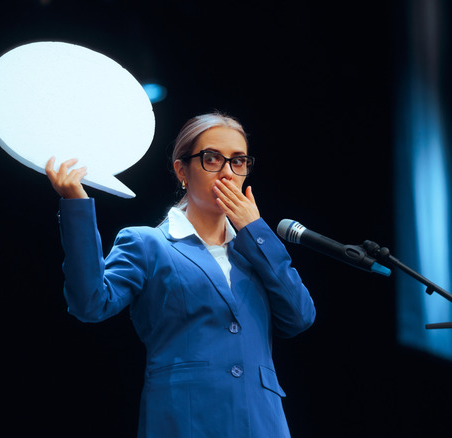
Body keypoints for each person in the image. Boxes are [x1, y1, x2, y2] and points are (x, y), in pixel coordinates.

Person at [45, 112, 316, 437]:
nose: (227, 172)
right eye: (212, 158)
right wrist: (75, 204)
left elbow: (300, 316)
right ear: (181, 170)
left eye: (238, 161)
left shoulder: (255, 251)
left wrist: (256, 231)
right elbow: (90, 303)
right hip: (185, 420)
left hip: (262, 423)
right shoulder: (148, 243)